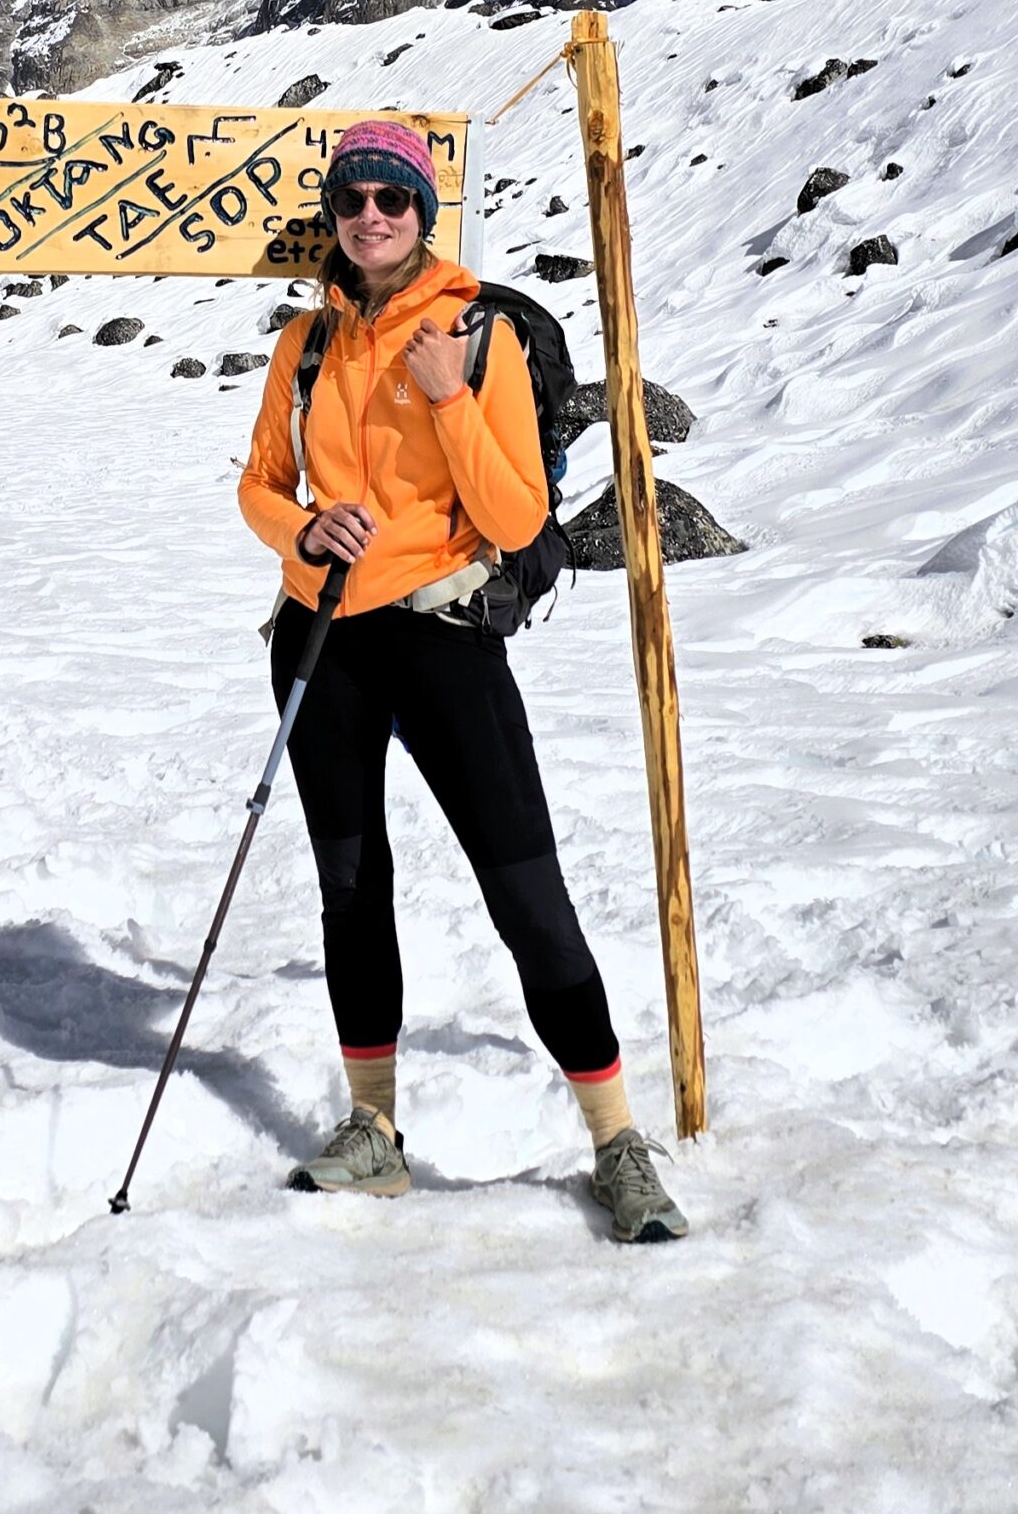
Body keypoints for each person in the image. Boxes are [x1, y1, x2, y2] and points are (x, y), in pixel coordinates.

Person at [237, 116, 687, 1241]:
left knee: (524, 888)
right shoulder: (305, 345)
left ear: (422, 213)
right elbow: (260, 485)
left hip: (443, 634)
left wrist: (446, 393)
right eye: (352, 198)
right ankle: (374, 1130)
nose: (370, 216)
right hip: (322, 636)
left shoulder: (475, 335)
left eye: (392, 197)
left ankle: (617, 1142)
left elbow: (517, 517)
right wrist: (302, 531)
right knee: (351, 886)